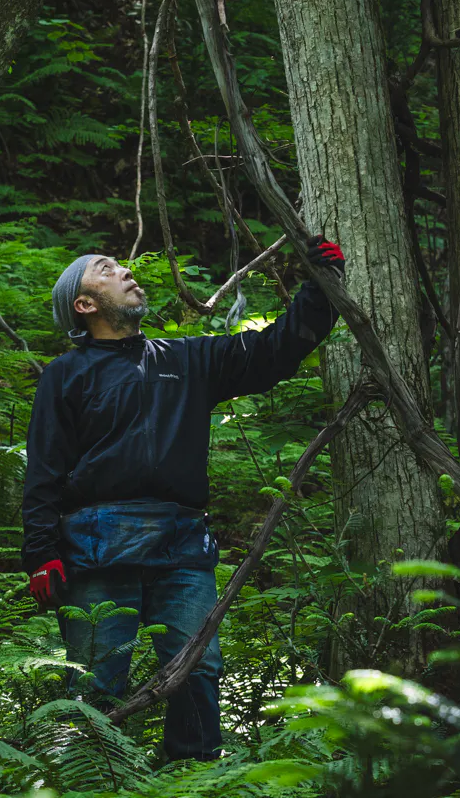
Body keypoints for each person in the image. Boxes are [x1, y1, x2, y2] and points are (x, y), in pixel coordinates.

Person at [21, 238, 345, 762]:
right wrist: (41, 553)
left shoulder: (187, 358)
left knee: (197, 669)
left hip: (183, 547)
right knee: (97, 678)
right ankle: (86, 786)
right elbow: (43, 471)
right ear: (84, 304)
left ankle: (191, 783)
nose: (126, 271)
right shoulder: (65, 374)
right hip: (97, 550)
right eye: (106, 269)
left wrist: (321, 286)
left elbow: (274, 351)